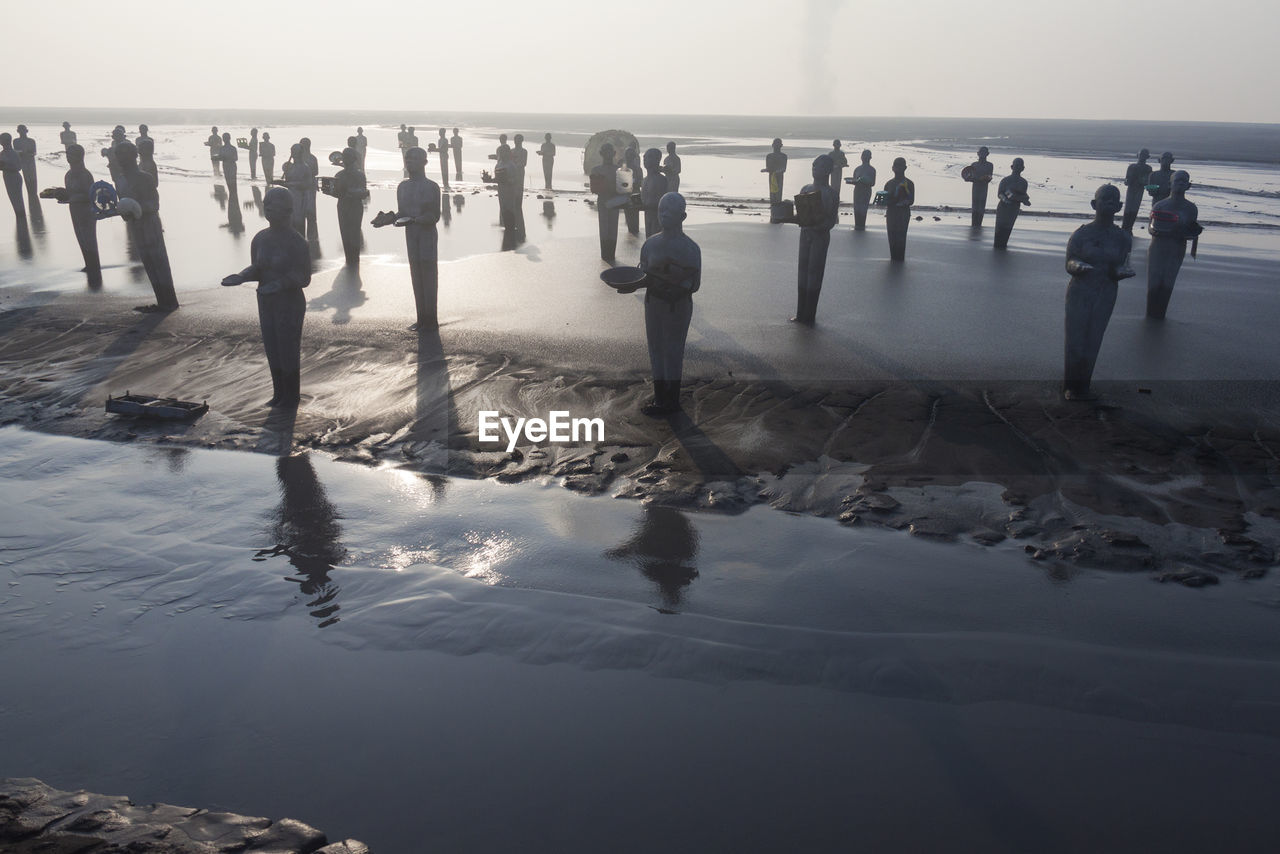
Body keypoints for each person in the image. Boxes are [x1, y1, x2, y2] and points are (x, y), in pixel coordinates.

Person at [220, 187, 312, 407]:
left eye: (274, 204)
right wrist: (241, 277)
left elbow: (304, 277)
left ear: (288, 210)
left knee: (287, 348)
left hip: (289, 304)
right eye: (266, 203)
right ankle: (278, 392)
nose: (268, 208)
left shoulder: (297, 242)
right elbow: (258, 267)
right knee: (272, 347)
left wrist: (280, 285)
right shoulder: (260, 238)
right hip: (266, 300)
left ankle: (291, 396)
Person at [617, 192, 701, 416]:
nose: (664, 215)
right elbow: (642, 275)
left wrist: (673, 282)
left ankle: (671, 401)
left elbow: (694, 285)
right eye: (661, 210)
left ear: (682, 216)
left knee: (673, 350)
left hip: (677, 307)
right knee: (656, 349)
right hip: (653, 304)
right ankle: (660, 397)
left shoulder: (690, 249)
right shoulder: (650, 245)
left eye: (670, 212)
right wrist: (632, 285)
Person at [1063, 184, 1134, 400]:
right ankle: (1071, 386)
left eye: (1114, 200)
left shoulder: (1122, 237)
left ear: (1120, 206)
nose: (1110, 203)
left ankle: (1084, 384)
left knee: (1094, 337)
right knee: (1075, 338)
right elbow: (1069, 261)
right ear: (1094, 204)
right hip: (1080, 290)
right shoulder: (1081, 234)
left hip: (1106, 290)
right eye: (1105, 199)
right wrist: (1077, 267)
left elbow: (1122, 263)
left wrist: (1121, 271)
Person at [116, 141, 178, 311]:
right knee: (148, 261)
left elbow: (155, 204)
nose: (121, 159)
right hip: (135, 225)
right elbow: (121, 205)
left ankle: (170, 301)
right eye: (119, 155)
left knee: (158, 260)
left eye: (125, 154)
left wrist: (137, 207)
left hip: (150, 223)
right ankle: (161, 300)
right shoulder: (120, 181)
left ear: (135, 156)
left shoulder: (145, 178)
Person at [391, 146, 442, 331]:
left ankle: (431, 319)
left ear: (424, 162)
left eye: (414, 158)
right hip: (411, 234)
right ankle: (421, 318)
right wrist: (389, 218)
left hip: (427, 235)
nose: (409, 161)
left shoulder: (431, 187)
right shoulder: (403, 187)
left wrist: (414, 220)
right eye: (407, 158)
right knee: (415, 274)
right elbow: (401, 213)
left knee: (428, 275)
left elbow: (434, 216)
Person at [1146, 170, 1203, 320]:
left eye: (1184, 181)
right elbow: (1150, 228)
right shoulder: (1160, 205)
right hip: (1157, 247)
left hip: (1177, 249)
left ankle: (1160, 314)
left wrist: (1193, 233)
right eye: (1177, 181)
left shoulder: (1191, 208)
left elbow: (1190, 231)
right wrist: (1162, 232)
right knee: (1154, 281)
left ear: (1189, 186)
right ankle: (1150, 314)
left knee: (1168, 281)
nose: (1180, 184)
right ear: (1170, 184)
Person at [790, 154, 838, 325]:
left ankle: (809, 315)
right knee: (802, 273)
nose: (814, 168)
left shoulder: (831, 193)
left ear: (828, 170)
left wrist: (818, 226)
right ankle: (800, 313)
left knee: (814, 274)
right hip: (805, 235)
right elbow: (801, 217)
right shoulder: (805, 188)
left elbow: (832, 220)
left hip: (820, 238)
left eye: (818, 166)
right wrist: (786, 216)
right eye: (813, 165)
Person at [55, 144, 101, 285]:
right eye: (67, 154)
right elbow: (70, 193)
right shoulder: (68, 174)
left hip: (86, 210)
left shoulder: (85, 174)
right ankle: (88, 263)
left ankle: (94, 264)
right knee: (80, 235)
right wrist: (62, 195)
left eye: (72, 154)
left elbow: (91, 195)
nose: (68, 157)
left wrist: (72, 197)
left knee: (89, 237)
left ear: (80, 156)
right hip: (74, 208)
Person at [589, 142, 622, 261]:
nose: (608, 155)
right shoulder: (596, 169)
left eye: (610, 152)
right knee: (604, 228)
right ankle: (605, 255)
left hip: (613, 201)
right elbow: (594, 188)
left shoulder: (618, 170)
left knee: (613, 227)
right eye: (605, 152)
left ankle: (610, 255)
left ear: (613, 154)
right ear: (601, 154)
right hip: (604, 201)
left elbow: (623, 188)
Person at [993, 158, 1030, 250]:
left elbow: (1023, 195)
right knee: (999, 228)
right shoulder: (1005, 180)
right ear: (1012, 167)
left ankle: (1003, 245)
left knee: (1008, 228)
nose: (1017, 168)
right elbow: (1000, 194)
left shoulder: (1023, 182)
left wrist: (1024, 200)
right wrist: (1006, 199)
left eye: (1019, 166)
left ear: (1023, 168)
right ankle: (997, 246)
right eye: (1016, 165)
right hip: (1003, 207)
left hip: (1014, 208)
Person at [883, 157, 915, 262]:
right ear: (892, 168)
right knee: (891, 236)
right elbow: (885, 200)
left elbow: (911, 200)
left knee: (901, 237)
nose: (897, 168)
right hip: (891, 212)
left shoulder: (909, 184)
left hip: (903, 213)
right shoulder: (889, 184)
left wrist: (904, 202)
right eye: (895, 166)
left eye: (900, 166)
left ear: (905, 168)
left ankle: (900, 258)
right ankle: (893, 258)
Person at [280, 143, 313, 236]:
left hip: (301, 198)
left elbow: (307, 184)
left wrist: (290, 184)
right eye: (291, 151)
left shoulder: (305, 167)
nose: (292, 154)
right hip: (291, 197)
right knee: (291, 222)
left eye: (293, 152)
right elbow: (287, 181)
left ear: (299, 153)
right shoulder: (291, 167)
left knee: (299, 222)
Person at [1121, 148, 1151, 233]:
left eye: (1144, 155)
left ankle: (1129, 227)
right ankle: (1125, 227)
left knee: (1134, 208)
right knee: (1128, 208)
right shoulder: (1132, 167)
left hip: (1139, 190)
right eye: (1141, 155)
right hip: (1131, 189)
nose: (1142, 157)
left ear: (1147, 157)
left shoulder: (1148, 168)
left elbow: (1147, 182)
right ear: (1138, 155)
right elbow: (1126, 180)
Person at [640, 147, 669, 238]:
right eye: (644, 157)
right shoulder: (645, 180)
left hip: (657, 217)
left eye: (648, 157)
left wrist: (646, 205)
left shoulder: (661, 179)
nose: (644, 160)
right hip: (647, 214)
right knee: (648, 239)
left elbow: (661, 203)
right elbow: (644, 198)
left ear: (656, 159)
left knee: (655, 239)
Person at [963, 146, 994, 227]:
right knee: (975, 205)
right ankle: (974, 224)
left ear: (987, 154)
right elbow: (968, 176)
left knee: (981, 206)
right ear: (978, 154)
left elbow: (989, 177)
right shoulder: (974, 165)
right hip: (976, 187)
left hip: (983, 188)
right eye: (981, 153)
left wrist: (980, 179)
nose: (982, 155)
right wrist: (969, 178)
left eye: (984, 153)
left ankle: (979, 224)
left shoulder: (989, 165)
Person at [0, 133, 26, 219]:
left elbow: (18, 167)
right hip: (7, 177)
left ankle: (22, 218)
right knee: (13, 199)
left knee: (18, 199)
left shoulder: (13, 153)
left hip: (14, 177)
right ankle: (20, 219)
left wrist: (5, 166)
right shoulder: (2, 153)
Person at [849, 149, 876, 230]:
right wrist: (855, 182)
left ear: (870, 158)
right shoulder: (857, 169)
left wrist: (865, 181)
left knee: (863, 209)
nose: (865, 158)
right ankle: (857, 225)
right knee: (856, 208)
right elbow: (854, 180)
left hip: (866, 191)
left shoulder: (872, 170)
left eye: (867, 156)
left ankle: (862, 225)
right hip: (857, 190)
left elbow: (873, 183)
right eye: (864, 156)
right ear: (861, 157)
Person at [299, 138, 319, 236]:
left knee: (311, 204)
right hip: (301, 185)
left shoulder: (312, 158)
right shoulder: (298, 159)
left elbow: (316, 172)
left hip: (310, 183)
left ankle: (311, 221)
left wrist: (306, 173)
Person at [14, 125, 38, 199]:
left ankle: (34, 193)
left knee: (33, 176)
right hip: (23, 160)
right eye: (20, 131)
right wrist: (22, 153)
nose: (22, 133)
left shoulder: (31, 141)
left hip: (30, 160)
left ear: (26, 131)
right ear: (18, 132)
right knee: (27, 176)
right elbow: (16, 151)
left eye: (23, 131)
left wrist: (26, 153)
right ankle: (30, 193)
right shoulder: (16, 141)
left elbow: (34, 152)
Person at [623, 145, 642, 236]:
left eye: (630, 155)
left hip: (635, 194)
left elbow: (640, 182)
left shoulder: (638, 169)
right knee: (629, 217)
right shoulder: (623, 169)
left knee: (634, 215)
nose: (629, 157)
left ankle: (634, 233)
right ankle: (632, 235)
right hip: (627, 194)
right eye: (628, 155)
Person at [511, 134, 528, 235]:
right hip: (513, 172)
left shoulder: (524, 151)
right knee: (513, 189)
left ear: (521, 141)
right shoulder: (511, 151)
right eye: (515, 140)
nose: (515, 142)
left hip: (520, 172)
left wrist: (515, 166)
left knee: (519, 189)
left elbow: (524, 163)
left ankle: (519, 206)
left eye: (517, 140)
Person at [763, 138, 787, 202]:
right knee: (772, 192)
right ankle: (773, 205)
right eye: (775, 144)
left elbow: (784, 168)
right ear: (772, 145)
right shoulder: (769, 156)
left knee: (778, 192)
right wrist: (765, 170)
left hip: (779, 176)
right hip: (771, 176)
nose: (777, 146)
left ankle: (778, 204)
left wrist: (778, 172)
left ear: (781, 146)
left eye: (778, 144)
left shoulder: (783, 156)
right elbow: (768, 168)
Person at [829, 139, 848, 204]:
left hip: (838, 171)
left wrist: (840, 165)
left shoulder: (841, 154)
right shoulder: (831, 154)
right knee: (834, 185)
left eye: (838, 145)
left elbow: (845, 162)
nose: (837, 146)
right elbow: (827, 163)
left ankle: (836, 198)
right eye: (836, 145)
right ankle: (834, 199)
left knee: (837, 185)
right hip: (833, 171)